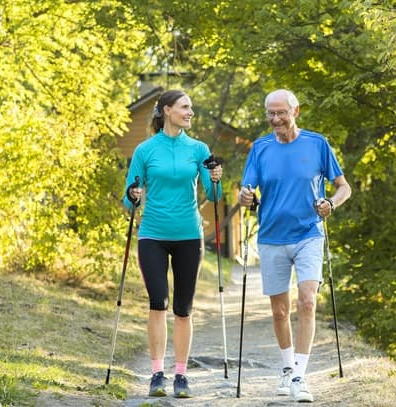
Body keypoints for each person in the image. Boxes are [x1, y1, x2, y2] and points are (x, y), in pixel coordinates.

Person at [238, 89, 351, 403]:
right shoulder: (260, 148)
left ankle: (300, 376)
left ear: (295, 111)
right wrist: (245, 197)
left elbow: (344, 187)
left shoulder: (317, 144)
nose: (275, 119)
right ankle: (287, 368)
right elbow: (246, 190)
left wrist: (331, 203)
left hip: (308, 234)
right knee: (279, 310)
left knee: (307, 302)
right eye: (270, 114)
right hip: (272, 237)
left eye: (281, 113)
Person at [122, 89, 223, 398]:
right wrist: (133, 195)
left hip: (189, 237)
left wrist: (216, 179)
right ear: (167, 110)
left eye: (191, 107)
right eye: (185, 107)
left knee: (183, 309)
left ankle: (180, 376)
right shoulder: (145, 150)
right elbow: (129, 199)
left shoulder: (198, 149)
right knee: (157, 302)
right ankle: (156, 374)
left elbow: (214, 197)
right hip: (152, 234)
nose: (190, 112)